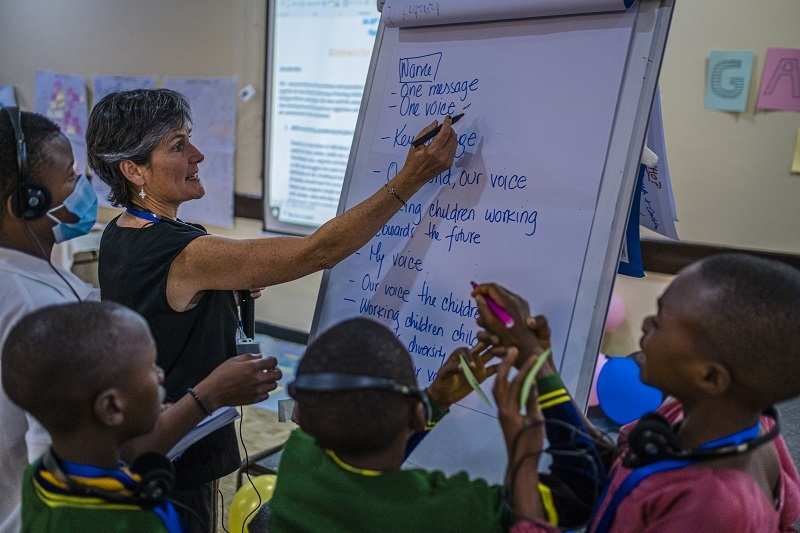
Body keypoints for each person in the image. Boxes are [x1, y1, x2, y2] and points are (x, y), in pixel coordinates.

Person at [86, 88, 458, 530]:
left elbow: (164, 309)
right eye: (179, 146)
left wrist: (219, 296)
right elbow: (318, 251)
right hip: (177, 449)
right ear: (133, 170)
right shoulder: (183, 251)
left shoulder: (122, 233)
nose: (199, 155)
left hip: (149, 436)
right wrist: (411, 178)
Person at [0, 108, 279, 533]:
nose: (82, 188)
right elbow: (84, 455)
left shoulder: (39, 279)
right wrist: (207, 395)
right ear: (26, 202)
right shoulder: (35, 305)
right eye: (71, 179)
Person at [472, 254, 800, 532]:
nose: (643, 326)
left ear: (710, 377)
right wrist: (536, 359)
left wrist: (523, 457)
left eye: (658, 323)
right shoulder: (705, 419)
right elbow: (614, 464)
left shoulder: (711, 510)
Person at [264, 317, 605, 532]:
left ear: (303, 417)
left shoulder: (298, 460)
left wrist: (433, 401)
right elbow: (577, 491)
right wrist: (524, 447)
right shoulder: (452, 510)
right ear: (414, 416)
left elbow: (364, 467)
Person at [5, 301, 184, 532]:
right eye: (151, 366)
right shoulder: (140, 518)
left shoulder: (38, 475)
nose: (160, 375)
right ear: (111, 407)